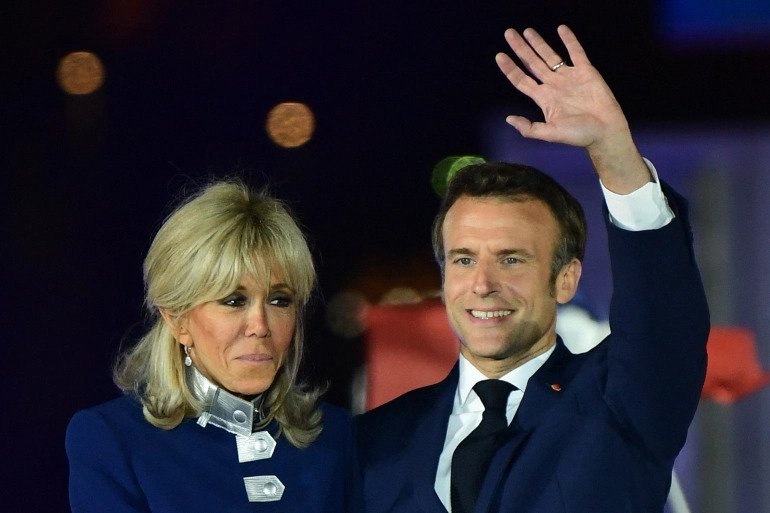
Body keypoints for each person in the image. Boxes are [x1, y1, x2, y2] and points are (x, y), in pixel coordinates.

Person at [355, 24, 710, 513]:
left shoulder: (620, 403)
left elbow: (664, 323)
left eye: (511, 259)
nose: (482, 284)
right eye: (463, 259)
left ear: (566, 278)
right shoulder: (375, 439)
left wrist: (613, 152)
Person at [66, 180, 355, 512]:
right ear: (177, 320)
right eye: (234, 301)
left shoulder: (336, 437)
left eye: (279, 300)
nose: (261, 326)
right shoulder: (112, 440)